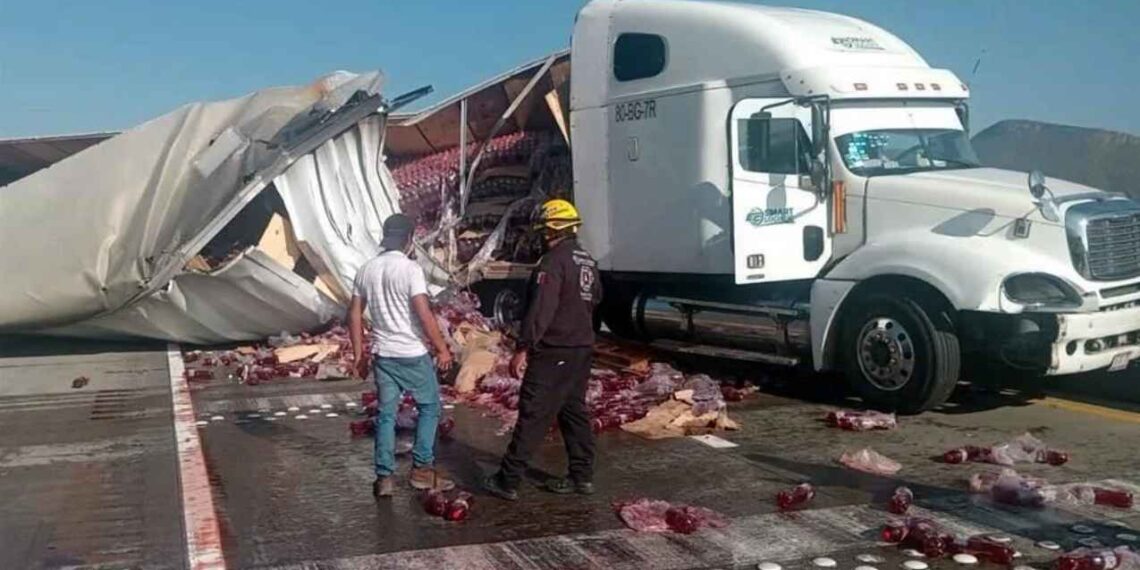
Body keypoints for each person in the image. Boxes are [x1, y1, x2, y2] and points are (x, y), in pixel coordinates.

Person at [483, 199, 602, 501]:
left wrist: (523, 347)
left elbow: (541, 310)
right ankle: (582, 476)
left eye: (543, 231)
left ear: (551, 230)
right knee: (573, 411)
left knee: (534, 413)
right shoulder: (588, 261)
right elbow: (596, 299)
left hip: (554, 350)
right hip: (580, 348)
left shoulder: (551, 262)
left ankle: (507, 480)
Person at [348, 213, 455, 498]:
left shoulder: (366, 269)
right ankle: (422, 470)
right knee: (429, 408)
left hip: (383, 355)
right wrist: (441, 348)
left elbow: (354, 314)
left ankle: (384, 477)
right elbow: (423, 311)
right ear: (409, 239)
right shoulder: (410, 269)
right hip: (411, 353)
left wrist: (359, 356)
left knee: (386, 415)